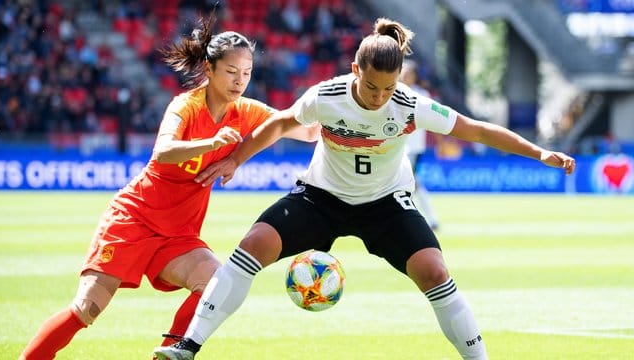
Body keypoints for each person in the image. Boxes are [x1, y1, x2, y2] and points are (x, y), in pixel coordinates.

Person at [154, 18, 576, 360]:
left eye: (389, 89)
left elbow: (475, 129)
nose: (379, 98)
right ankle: (187, 347)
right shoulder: (327, 96)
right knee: (252, 245)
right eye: (372, 87)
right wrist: (235, 158)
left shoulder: (409, 104)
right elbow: (281, 122)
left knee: (436, 272)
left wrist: (539, 153)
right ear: (356, 71)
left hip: (386, 205)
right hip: (321, 197)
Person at [19, 12, 317, 360]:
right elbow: (162, 152)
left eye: (247, 73)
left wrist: (329, 105)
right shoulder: (185, 106)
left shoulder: (246, 110)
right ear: (210, 70)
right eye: (232, 72)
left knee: (216, 285)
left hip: (178, 235)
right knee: (87, 308)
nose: (240, 81)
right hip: (134, 220)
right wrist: (211, 144)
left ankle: (169, 354)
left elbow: (305, 131)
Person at [400, 59, 440, 230]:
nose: (404, 75)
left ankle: (428, 219)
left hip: (413, 147)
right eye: (402, 72)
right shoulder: (393, 92)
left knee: (411, 182)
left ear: (414, 76)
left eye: (408, 73)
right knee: (407, 182)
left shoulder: (421, 94)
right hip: (398, 147)